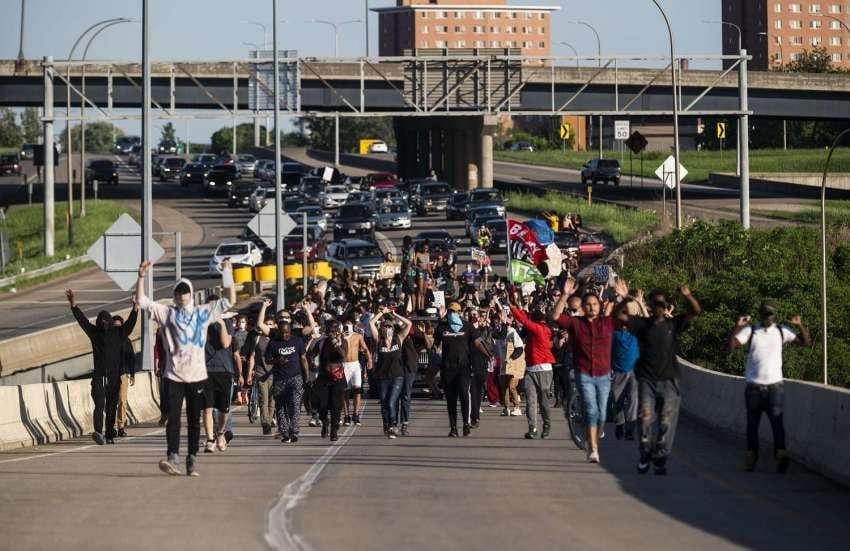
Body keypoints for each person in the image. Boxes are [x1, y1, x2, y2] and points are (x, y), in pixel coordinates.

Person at [136, 259, 236, 477]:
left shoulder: (202, 313)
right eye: (179, 293)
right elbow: (142, 301)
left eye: (185, 292)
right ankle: (172, 455)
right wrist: (141, 277)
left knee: (193, 419)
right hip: (173, 375)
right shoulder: (168, 314)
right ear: (175, 295)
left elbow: (229, 300)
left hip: (197, 376)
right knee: (173, 417)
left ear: (190, 294)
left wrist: (227, 273)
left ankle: (191, 458)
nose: (182, 296)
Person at [618, 284, 702, 475]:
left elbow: (696, 311)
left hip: (669, 380)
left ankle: (661, 456)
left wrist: (688, 296)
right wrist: (625, 298)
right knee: (645, 418)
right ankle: (645, 453)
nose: (659, 308)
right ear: (649, 305)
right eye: (655, 304)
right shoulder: (642, 325)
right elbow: (619, 315)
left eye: (662, 305)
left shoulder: (673, 325)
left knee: (666, 422)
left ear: (665, 307)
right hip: (647, 380)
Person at [728, 301, 810, 473]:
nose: (768, 317)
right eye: (765, 314)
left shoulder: (781, 331)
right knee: (752, 425)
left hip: (775, 387)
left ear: (775, 316)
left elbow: (806, 343)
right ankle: (752, 456)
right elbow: (731, 346)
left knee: (777, 424)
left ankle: (780, 455)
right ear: (760, 315)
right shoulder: (750, 331)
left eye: (770, 314)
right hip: (754, 388)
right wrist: (737, 325)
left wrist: (799, 325)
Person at [552, 277, 623, 463]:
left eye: (594, 304)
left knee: (601, 413)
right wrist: (565, 295)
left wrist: (624, 298)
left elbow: (627, 319)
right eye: (588, 305)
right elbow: (555, 317)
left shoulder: (607, 323)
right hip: (584, 373)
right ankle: (592, 449)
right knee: (592, 409)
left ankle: (593, 440)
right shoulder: (576, 323)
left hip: (604, 375)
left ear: (599, 306)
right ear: (583, 308)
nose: (591, 307)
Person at [66, 289, 138, 445]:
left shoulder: (119, 333)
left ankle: (109, 433)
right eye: (101, 321)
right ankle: (99, 432)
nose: (103, 324)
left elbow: (131, 323)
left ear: (110, 322)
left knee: (111, 406)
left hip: (114, 377)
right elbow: (82, 321)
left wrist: (135, 307)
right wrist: (73, 304)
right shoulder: (95, 333)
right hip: (99, 377)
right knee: (100, 404)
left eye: (106, 321)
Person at [257, 298, 309, 443]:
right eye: (283, 333)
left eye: (287, 333)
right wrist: (276, 361)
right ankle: (285, 432)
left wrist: (306, 376)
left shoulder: (297, 340)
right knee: (280, 407)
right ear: (278, 330)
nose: (285, 336)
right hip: (280, 379)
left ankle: (295, 431)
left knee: (295, 404)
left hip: (295, 377)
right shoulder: (273, 342)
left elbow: (303, 359)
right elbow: (268, 359)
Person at [509, 297, 555, 440]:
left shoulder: (540, 329)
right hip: (531, 369)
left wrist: (513, 308)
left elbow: (524, 321)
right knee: (530, 400)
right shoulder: (537, 329)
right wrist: (517, 306)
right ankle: (533, 428)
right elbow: (525, 319)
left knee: (543, 401)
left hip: (543, 369)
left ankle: (546, 425)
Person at [434, 301, 479, 437]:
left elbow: (477, 341)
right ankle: (453, 427)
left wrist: (487, 354)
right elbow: (434, 345)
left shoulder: (467, 326)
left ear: (459, 313)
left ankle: (466, 424)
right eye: (450, 311)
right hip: (447, 368)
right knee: (451, 399)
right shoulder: (442, 327)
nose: (452, 314)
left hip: (463, 367)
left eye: (454, 312)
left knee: (464, 395)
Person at [202, 301, 239, 454]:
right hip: (205, 371)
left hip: (224, 371)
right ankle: (210, 439)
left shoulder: (228, 322)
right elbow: (200, 342)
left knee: (224, 409)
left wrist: (221, 322)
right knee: (207, 408)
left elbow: (225, 343)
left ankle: (221, 433)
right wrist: (204, 323)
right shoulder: (202, 322)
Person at [369, 308, 412, 439]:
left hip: (397, 376)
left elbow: (409, 324)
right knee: (384, 402)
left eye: (389, 327)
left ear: (393, 329)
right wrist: (382, 313)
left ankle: (393, 425)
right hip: (382, 377)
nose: (387, 329)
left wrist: (395, 315)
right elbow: (371, 323)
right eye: (385, 327)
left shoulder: (398, 339)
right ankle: (386, 424)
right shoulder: (379, 341)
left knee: (391, 401)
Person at [316, 321, 347, 441]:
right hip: (323, 377)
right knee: (322, 405)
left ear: (338, 331)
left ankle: (334, 430)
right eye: (329, 331)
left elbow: (343, 355)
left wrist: (337, 344)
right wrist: (313, 362)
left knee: (336, 406)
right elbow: (310, 354)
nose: (331, 334)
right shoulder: (321, 342)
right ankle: (325, 422)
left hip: (337, 378)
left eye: (333, 332)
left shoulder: (342, 342)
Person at [247, 310, 276, 435]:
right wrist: (249, 373)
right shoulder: (258, 338)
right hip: (260, 374)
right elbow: (252, 356)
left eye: (271, 324)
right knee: (263, 400)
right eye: (267, 324)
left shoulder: (277, 339)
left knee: (272, 401)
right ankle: (266, 423)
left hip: (275, 374)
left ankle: (269, 420)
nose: (268, 326)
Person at [341, 316, 372, 427]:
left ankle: (356, 414)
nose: (347, 326)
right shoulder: (340, 337)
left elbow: (365, 348)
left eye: (349, 324)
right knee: (345, 391)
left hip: (355, 365)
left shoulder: (358, 336)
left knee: (357, 390)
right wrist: (343, 339)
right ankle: (346, 415)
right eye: (346, 324)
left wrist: (369, 360)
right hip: (344, 365)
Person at [114, 313, 137, 438]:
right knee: (112, 401)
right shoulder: (108, 340)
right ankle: (111, 426)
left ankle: (121, 426)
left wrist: (132, 374)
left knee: (122, 400)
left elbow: (131, 358)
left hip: (123, 374)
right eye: (114, 327)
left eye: (119, 327)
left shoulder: (126, 341)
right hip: (111, 375)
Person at [500, 312, 525, 417]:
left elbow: (519, 348)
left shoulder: (513, 333)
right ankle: (506, 408)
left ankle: (517, 407)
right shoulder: (502, 335)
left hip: (515, 365)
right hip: (505, 365)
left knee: (511, 386)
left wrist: (511, 359)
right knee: (504, 387)